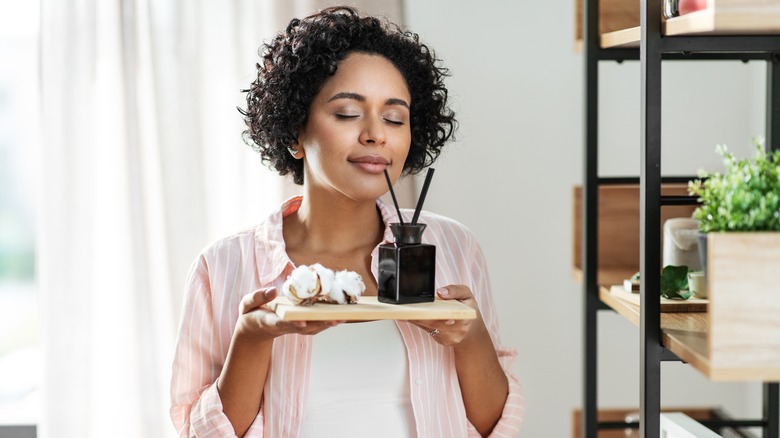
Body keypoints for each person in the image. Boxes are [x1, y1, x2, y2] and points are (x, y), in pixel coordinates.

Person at [170, 6, 524, 437]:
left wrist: (469, 336)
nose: (377, 134)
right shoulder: (224, 267)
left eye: (395, 118)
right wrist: (252, 337)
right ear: (295, 133)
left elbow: (494, 426)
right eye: (347, 113)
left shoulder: (452, 247)